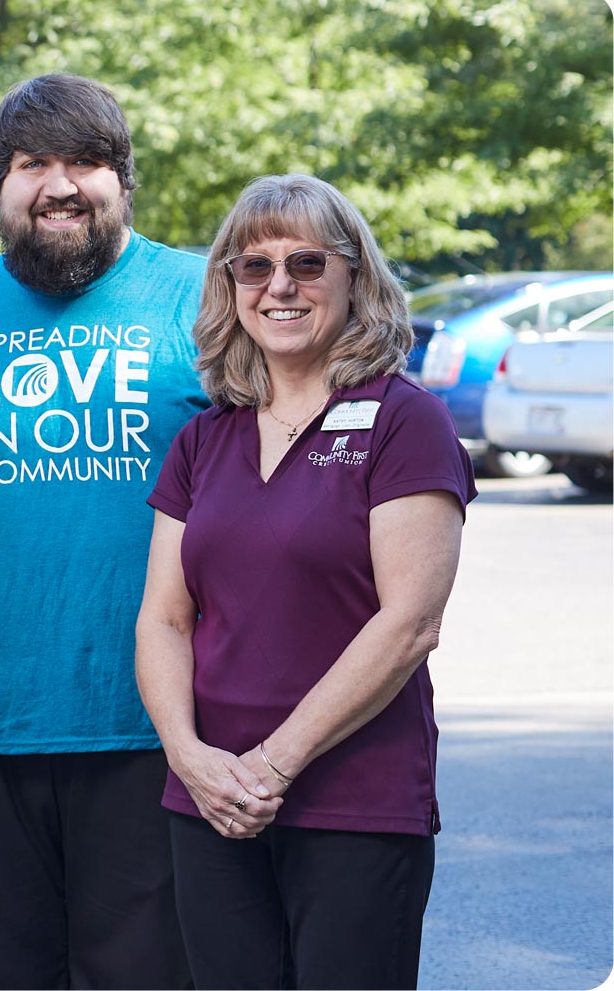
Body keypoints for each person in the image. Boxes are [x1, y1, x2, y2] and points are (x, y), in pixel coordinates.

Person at [0, 73, 203, 989]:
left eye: (87, 162)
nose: (60, 185)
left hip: (158, 725)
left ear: (124, 179)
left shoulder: (198, 301)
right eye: (33, 164)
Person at [135, 173, 475, 990]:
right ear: (230, 289)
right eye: (253, 267)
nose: (279, 286)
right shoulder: (203, 442)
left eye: (307, 264)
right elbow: (163, 621)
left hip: (356, 802)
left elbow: (409, 624)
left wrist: (272, 768)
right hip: (211, 803)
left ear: (355, 276)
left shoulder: (405, 422)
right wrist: (191, 760)